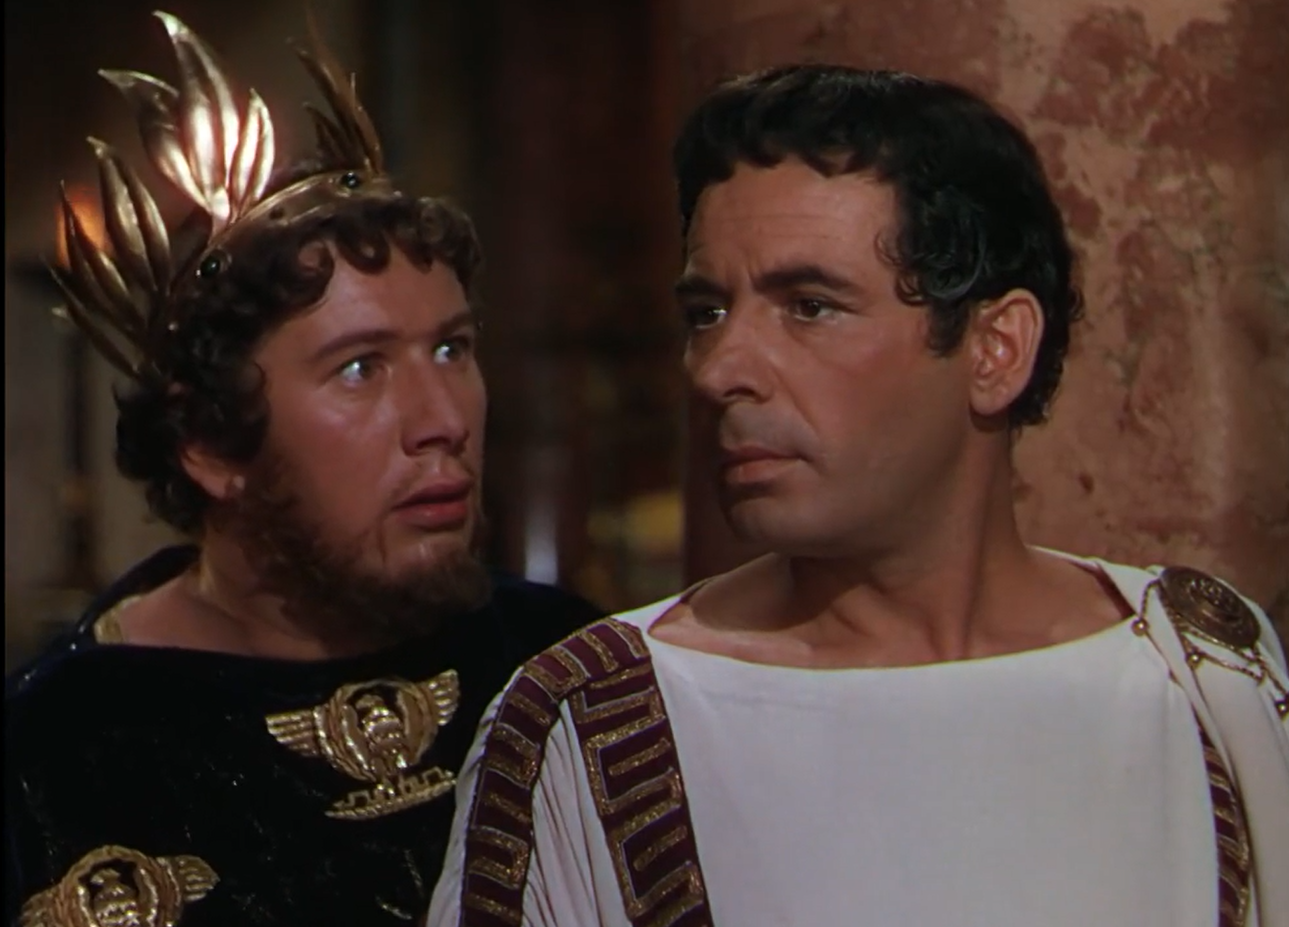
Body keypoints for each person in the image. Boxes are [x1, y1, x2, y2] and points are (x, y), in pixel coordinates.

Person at [429, 66, 1289, 927]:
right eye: (705, 313)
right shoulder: (592, 718)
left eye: (808, 306)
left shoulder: (1197, 669)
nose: (720, 371)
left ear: (995, 348)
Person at [4, 12, 602, 927]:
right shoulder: (56, 750)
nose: (442, 421)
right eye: (360, 368)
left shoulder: (560, 668)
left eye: (452, 349)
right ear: (209, 442)